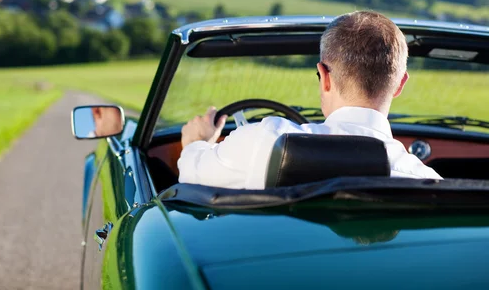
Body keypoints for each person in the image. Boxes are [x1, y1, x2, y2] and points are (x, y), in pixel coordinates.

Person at [178, 11, 442, 189]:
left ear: (324, 76)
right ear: (399, 85)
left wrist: (196, 143)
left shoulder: (264, 140)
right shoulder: (426, 183)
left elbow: (190, 176)